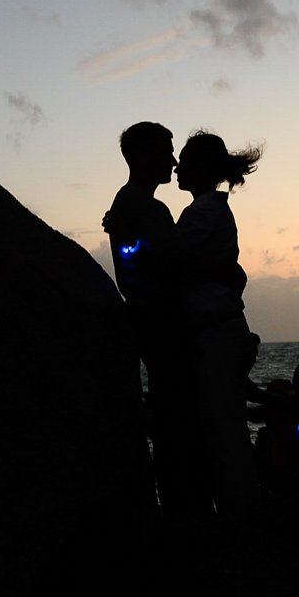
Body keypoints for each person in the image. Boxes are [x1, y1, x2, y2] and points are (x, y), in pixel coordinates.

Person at [104, 122, 210, 517]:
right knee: (179, 420)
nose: (173, 161)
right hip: (163, 323)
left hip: (152, 320)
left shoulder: (128, 204)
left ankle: (182, 507)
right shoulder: (145, 208)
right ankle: (188, 511)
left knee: (171, 418)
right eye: (166, 152)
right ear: (143, 156)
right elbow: (172, 263)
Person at [171, 131, 263, 529]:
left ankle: (241, 525)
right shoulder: (208, 210)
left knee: (224, 438)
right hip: (222, 331)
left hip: (217, 333)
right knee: (229, 434)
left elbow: (173, 260)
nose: (177, 168)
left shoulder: (204, 212)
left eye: (185, 161)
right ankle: (245, 518)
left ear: (201, 168)